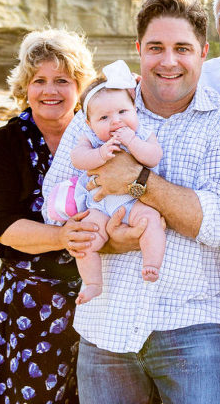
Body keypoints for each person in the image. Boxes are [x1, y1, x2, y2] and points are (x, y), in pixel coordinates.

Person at [42, 0, 220, 403]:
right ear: (139, 51)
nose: (168, 61)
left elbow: (216, 223)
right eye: (156, 48)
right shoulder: (95, 114)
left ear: (204, 53)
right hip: (106, 329)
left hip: (195, 328)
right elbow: (57, 200)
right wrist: (114, 239)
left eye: (182, 49)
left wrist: (135, 179)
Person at [0, 28, 97, 404]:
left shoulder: (100, 135)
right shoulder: (3, 144)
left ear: (80, 87)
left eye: (62, 80)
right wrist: (62, 237)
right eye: (39, 80)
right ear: (24, 87)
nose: (50, 91)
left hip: (100, 297)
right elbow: (2, 225)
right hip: (32, 298)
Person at [66, 60, 165, 304]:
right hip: (99, 205)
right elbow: (77, 158)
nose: (116, 121)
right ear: (89, 123)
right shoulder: (89, 138)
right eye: (104, 117)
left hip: (134, 199)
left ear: (134, 110)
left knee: (151, 220)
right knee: (85, 239)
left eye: (123, 112)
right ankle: (93, 283)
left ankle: (151, 264)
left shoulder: (141, 133)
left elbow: (153, 157)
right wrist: (99, 155)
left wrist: (132, 142)